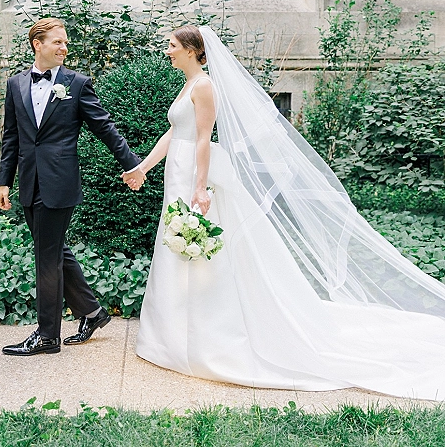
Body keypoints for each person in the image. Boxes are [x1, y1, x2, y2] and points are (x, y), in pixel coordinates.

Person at [123, 24, 445, 400]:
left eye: (173, 46)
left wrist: (199, 186)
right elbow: (174, 132)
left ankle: (210, 337)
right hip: (176, 171)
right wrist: (143, 167)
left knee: (204, 248)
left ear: (193, 50)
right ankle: (172, 334)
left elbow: (202, 138)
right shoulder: (188, 84)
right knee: (179, 245)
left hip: (195, 173)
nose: (168, 51)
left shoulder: (205, 86)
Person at [0, 17, 144, 356]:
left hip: (59, 182)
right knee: (53, 250)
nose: (64, 48)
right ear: (38, 44)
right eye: (57, 42)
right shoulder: (16, 84)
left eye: (65, 43)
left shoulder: (76, 84)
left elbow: (104, 127)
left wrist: (132, 164)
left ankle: (48, 336)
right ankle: (92, 313)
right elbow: (12, 136)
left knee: (46, 258)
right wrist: (5, 181)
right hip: (29, 180)